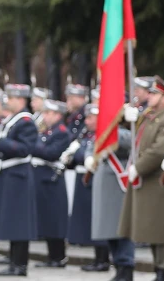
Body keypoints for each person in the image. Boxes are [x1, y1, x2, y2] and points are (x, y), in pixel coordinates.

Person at [117, 76, 164, 281]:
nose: (149, 97)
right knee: (151, 229)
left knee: (161, 230)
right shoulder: (150, 115)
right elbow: (136, 137)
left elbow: (158, 150)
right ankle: (159, 270)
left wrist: (139, 168)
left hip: (157, 180)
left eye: (154, 94)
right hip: (146, 181)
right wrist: (128, 118)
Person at [0, 83, 39, 276]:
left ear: (22, 100)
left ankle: (20, 265)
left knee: (19, 221)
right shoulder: (15, 120)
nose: (9, 101)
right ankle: (15, 263)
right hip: (10, 175)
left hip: (19, 176)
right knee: (13, 221)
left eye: (13, 98)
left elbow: (24, 148)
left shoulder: (26, 121)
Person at [89, 110, 135, 281]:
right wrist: (88, 157)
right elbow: (92, 145)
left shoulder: (125, 132)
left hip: (119, 183)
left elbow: (128, 141)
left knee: (122, 228)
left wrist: (111, 131)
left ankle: (126, 267)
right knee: (108, 228)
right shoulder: (104, 131)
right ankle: (118, 265)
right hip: (105, 183)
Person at [68, 102, 110, 273]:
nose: (87, 121)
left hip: (98, 180)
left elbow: (87, 154)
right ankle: (97, 258)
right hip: (85, 179)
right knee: (89, 221)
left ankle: (103, 259)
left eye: (91, 117)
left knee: (99, 220)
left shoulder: (101, 134)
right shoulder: (86, 134)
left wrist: (77, 153)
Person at [31, 99, 72, 268]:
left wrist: (31, 144)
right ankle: (52, 256)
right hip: (42, 180)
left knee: (55, 219)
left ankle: (58, 256)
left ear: (58, 115)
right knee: (47, 219)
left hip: (52, 180)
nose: (45, 116)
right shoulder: (47, 131)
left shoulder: (61, 132)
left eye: (49, 113)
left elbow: (51, 153)